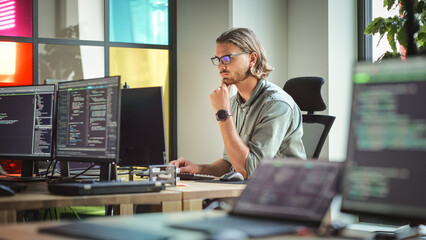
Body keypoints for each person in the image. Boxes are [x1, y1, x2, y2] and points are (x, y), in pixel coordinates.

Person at [170, 28, 306, 179]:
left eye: (228, 58)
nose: (221, 66)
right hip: (252, 191)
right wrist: (198, 168)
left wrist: (223, 114)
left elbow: (249, 171)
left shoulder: (277, 105)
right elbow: (230, 163)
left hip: (282, 194)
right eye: (218, 59)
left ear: (252, 59)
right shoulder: (234, 103)